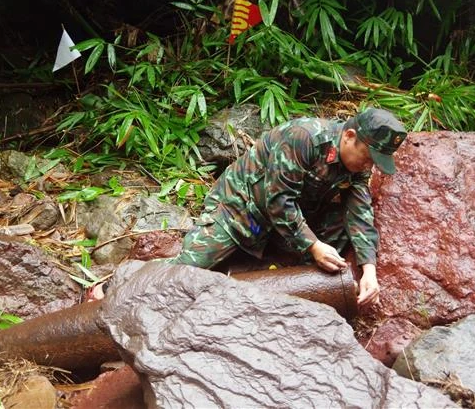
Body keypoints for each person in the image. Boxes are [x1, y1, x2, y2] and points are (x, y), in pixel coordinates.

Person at [167, 107, 407, 307]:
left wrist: (369, 270)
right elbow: (278, 201)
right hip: (241, 210)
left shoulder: (358, 167)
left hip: (288, 221)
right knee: (188, 267)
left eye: (374, 162)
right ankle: (135, 284)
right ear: (349, 136)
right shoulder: (304, 138)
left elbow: (359, 214)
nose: (368, 165)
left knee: (340, 229)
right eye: (367, 157)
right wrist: (313, 245)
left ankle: (276, 273)